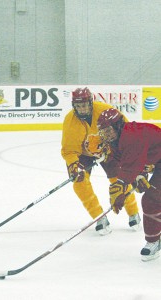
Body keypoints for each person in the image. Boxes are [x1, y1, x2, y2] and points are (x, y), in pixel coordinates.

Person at [61, 87, 140, 235]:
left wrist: (116, 149)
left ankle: (133, 212)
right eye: (78, 106)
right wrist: (73, 164)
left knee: (119, 180)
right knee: (79, 183)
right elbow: (69, 150)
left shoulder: (105, 110)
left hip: (108, 147)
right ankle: (99, 217)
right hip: (83, 153)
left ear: (91, 102)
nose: (82, 109)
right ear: (73, 106)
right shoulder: (70, 121)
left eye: (84, 105)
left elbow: (125, 129)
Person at [97, 108, 161, 261]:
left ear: (118, 125)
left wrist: (120, 187)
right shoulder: (117, 139)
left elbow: (129, 167)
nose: (106, 135)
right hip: (156, 162)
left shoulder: (132, 137)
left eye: (109, 131)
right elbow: (127, 163)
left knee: (151, 199)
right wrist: (138, 177)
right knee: (153, 198)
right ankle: (153, 241)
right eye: (103, 132)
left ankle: (154, 241)